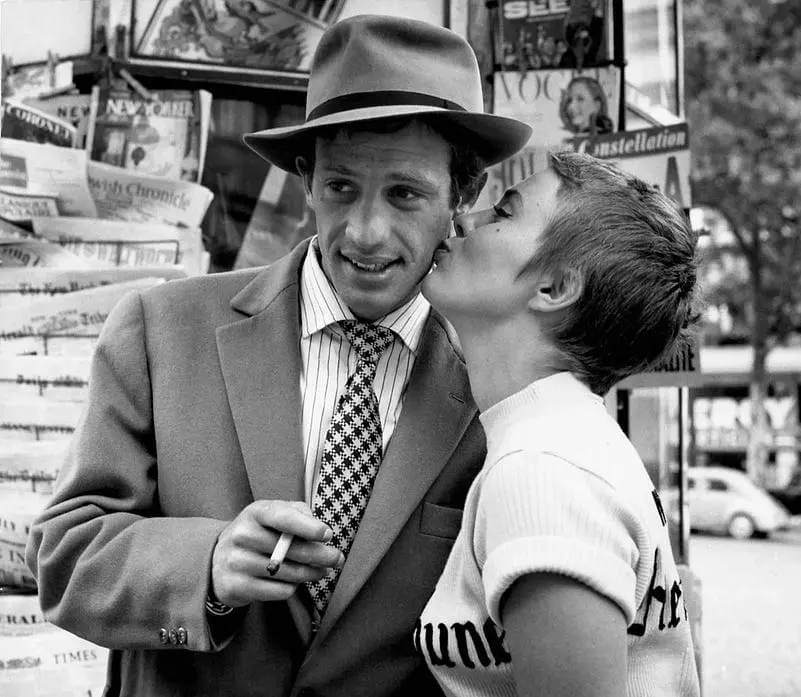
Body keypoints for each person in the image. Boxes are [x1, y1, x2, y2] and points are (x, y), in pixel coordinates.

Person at [25, 15, 531, 697]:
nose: (365, 231)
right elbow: (62, 554)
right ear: (305, 178)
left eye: (405, 194)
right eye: (340, 187)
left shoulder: (500, 387)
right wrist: (206, 564)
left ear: (461, 199)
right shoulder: (160, 329)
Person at [416, 151, 702, 696]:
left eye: (503, 212)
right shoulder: (556, 439)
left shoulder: (543, 470)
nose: (466, 219)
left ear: (553, 289)